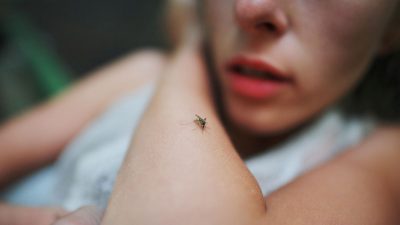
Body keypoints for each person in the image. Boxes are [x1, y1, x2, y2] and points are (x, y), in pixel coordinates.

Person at [1, 0, 400, 224]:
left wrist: (190, 51)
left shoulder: (382, 155)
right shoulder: (138, 78)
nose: (250, 9)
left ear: (392, 28)